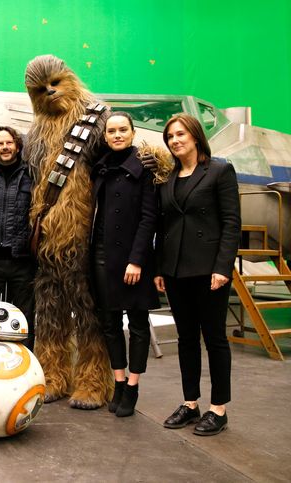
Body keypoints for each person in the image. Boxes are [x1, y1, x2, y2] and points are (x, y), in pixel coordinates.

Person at [155, 113, 241, 436]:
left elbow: (232, 224)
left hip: (209, 271)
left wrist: (223, 267)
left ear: (194, 136)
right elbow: (163, 227)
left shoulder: (220, 170)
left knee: (215, 339)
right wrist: (160, 268)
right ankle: (190, 403)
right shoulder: (168, 177)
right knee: (186, 338)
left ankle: (218, 409)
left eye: (180, 134)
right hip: (176, 271)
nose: (175, 141)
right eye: (170, 137)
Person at [90, 112, 159, 417]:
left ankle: (133, 385)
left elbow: (149, 218)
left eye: (123, 130)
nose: (117, 135)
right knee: (109, 323)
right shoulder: (100, 167)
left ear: (132, 133)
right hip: (101, 255)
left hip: (132, 260)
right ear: (105, 136)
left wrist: (137, 260)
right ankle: (118, 381)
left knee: (138, 324)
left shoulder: (144, 168)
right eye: (112, 131)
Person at [0, 126, 36, 350]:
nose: (5, 147)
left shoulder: (32, 175)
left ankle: (24, 366)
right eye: (0, 143)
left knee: (24, 319)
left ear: (17, 145)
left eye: (9, 143)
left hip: (22, 260)